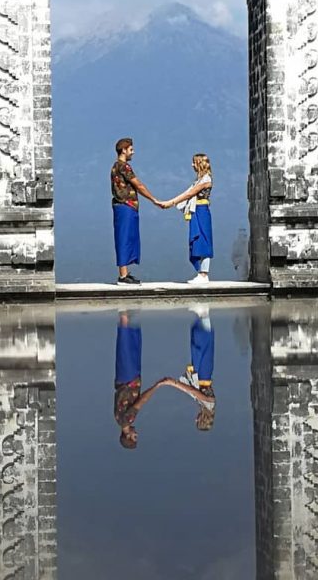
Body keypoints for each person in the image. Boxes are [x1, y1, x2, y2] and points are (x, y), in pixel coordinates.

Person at [111, 137, 163, 285]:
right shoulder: (123, 167)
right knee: (124, 238)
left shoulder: (115, 166)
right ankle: (122, 276)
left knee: (127, 237)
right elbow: (138, 185)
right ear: (124, 150)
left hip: (125, 206)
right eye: (131, 150)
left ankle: (125, 273)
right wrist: (153, 199)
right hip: (125, 205)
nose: (133, 152)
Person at [113, 310, 168, 449]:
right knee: (131, 350)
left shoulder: (126, 420)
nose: (136, 433)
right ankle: (127, 319)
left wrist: (157, 386)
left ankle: (124, 317)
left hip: (128, 380)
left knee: (126, 350)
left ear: (127, 436)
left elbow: (141, 401)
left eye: (134, 436)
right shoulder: (118, 420)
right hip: (125, 380)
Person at [157, 305, 216, 431]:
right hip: (204, 376)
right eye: (198, 421)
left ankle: (202, 316)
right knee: (204, 346)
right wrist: (173, 383)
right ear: (203, 419)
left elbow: (192, 392)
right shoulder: (209, 403)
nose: (196, 418)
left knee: (197, 346)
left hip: (198, 375)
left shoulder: (203, 405)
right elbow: (194, 391)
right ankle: (205, 314)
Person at [161, 153, 213, 285]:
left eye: (194, 162)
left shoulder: (206, 180)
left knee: (203, 240)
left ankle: (204, 274)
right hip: (197, 211)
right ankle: (200, 272)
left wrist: (170, 203)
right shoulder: (199, 180)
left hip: (201, 212)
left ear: (199, 163)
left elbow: (189, 193)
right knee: (198, 241)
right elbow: (188, 192)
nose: (192, 165)